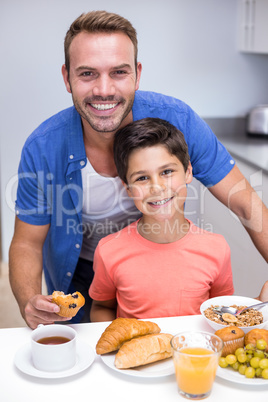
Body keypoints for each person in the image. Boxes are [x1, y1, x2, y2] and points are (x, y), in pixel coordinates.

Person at [9, 11, 268, 329]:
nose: (104, 90)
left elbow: (244, 201)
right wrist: (28, 301)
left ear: (137, 73)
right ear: (67, 78)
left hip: (160, 264)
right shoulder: (43, 147)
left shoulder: (179, 121)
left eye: (118, 72)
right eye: (87, 74)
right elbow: (27, 243)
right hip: (77, 270)